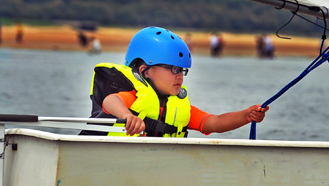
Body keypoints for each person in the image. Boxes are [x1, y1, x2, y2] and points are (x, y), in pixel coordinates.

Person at [95, 26, 268, 137]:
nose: (180, 76)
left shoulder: (180, 107)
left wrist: (246, 115)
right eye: (173, 69)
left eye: (182, 70)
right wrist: (127, 115)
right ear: (144, 70)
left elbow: (214, 122)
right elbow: (110, 100)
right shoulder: (133, 98)